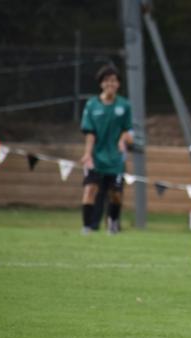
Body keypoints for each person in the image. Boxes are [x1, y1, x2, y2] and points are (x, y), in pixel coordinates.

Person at [80, 64, 132, 234]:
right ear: (101, 83)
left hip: (115, 158)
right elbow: (90, 133)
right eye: (107, 81)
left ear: (118, 84)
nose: (111, 84)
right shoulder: (92, 105)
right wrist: (87, 154)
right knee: (90, 190)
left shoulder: (124, 106)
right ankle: (87, 227)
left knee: (116, 194)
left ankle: (113, 223)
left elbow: (127, 130)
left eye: (114, 81)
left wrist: (123, 141)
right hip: (96, 156)